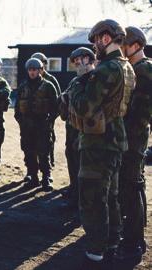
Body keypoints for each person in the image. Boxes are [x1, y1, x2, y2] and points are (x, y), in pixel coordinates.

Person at [69, 19, 135, 269]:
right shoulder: (126, 66)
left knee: (93, 198)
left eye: (96, 40)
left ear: (105, 38)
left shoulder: (107, 69)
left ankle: (96, 249)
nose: (94, 46)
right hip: (115, 140)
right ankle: (110, 244)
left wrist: (80, 80)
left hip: (99, 143)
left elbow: (84, 107)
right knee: (110, 196)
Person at [116, 26, 151, 262]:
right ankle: (136, 237)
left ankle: (134, 242)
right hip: (133, 136)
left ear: (136, 45)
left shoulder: (144, 69)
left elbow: (140, 111)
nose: (121, 49)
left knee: (131, 186)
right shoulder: (137, 68)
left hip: (134, 137)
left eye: (124, 44)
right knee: (134, 185)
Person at [59, 47, 96, 210]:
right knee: (73, 163)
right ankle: (75, 193)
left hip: (87, 132)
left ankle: (84, 201)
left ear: (89, 59)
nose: (77, 63)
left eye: (80, 60)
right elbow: (65, 100)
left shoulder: (95, 79)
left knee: (85, 169)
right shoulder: (75, 80)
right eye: (74, 62)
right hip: (71, 130)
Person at [14, 58, 57, 191]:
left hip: (42, 124)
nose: (32, 72)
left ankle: (46, 178)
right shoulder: (22, 86)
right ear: (28, 71)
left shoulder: (49, 86)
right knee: (29, 152)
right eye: (30, 70)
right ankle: (33, 177)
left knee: (44, 152)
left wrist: (49, 121)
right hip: (27, 126)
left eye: (35, 70)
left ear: (40, 70)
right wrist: (21, 122)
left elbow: (56, 107)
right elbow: (17, 109)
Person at [31, 52, 62, 168]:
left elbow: (58, 102)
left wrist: (51, 117)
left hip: (47, 119)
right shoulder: (30, 78)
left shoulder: (51, 80)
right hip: (32, 119)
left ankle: (49, 164)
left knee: (48, 141)